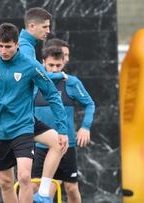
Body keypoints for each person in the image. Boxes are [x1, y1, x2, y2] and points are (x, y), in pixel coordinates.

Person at [0, 22, 67, 203]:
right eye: (0, 46)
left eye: (8, 47)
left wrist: (62, 129)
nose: (3, 51)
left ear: (17, 44)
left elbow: (52, 95)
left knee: (24, 176)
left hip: (22, 127)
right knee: (6, 182)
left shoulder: (30, 65)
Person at [33, 44, 95, 203]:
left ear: (63, 63)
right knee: (36, 188)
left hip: (65, 144)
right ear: (43, 62)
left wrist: (85, 127)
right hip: (40, 146)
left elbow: (89, 104)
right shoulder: (35, 83)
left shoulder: (71, 83)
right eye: (50, 65)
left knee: (71, 188)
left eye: (58, 65)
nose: (54, 69)